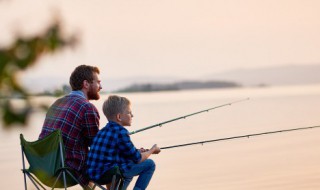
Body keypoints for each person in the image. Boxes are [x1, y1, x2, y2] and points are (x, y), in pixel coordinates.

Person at [39, 65, 102, 187]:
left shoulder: (57, 103)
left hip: (44, 168)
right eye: (98, 82)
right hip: (66, 171)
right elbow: (96, 147)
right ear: (86, 84)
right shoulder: (87, 108)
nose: (101, 87)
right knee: (113, 165)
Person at [87, 95, 161, 190]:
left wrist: (138, 151)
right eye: (129, 113)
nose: (132, 115)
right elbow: (137, 159)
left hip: (94, 174)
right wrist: (152, 150)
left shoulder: (102, 131)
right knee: (150, 164)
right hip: (109, 174)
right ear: (119, 117)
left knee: (128, 163)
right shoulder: (121, 132)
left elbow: (119, 152)